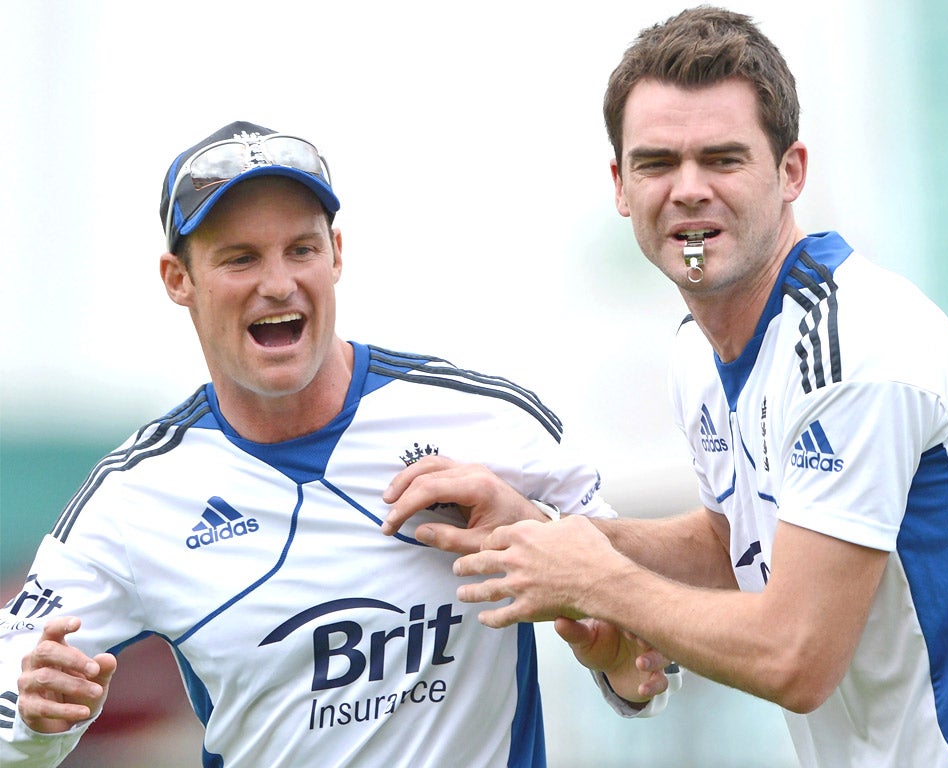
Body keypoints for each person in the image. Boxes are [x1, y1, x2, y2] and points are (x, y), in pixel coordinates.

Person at [384, 8, 948, 767]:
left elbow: (796, 656)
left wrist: (600, 579)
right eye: (658, 163)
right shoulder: (699, 351)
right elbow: (738, 544)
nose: (688, 191)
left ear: (791, 172)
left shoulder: (853, 346)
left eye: (722, 159)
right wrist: (548, 533)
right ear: (621, 186)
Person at [0, 120, 671, 767]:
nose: (278, 283)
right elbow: (15, 709)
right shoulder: (134, 501)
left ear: (337, 254)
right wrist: (37, 723)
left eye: (301, 249)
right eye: (241, 258)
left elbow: (644, 632)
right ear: (179, 280)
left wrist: (622, 662)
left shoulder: (484, 421)